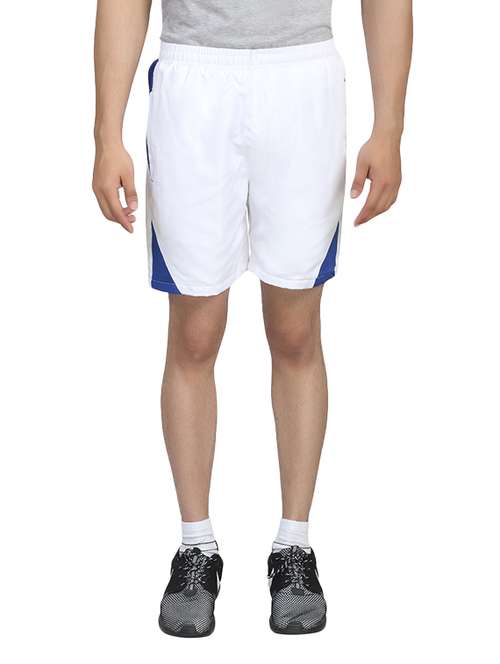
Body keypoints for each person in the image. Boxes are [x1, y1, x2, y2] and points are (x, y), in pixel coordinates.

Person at [93, 0, 413, 637]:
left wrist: (390, 128)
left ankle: (294, 546)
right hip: (194, 76)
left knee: (295, 330)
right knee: (194, 331)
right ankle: (196, 548)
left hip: (300, 77)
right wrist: (107, 135)